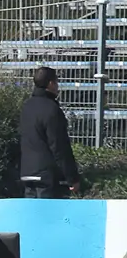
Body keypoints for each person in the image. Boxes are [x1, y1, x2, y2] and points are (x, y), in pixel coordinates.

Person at [18, 66, 81, 198]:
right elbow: (59, 146)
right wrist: (72, 177)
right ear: (51, 83)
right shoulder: (51, 109)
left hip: (27, 173)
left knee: (32, 215)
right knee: (48, 216)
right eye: (56, 82)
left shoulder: (26, 106)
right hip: (47, 176)